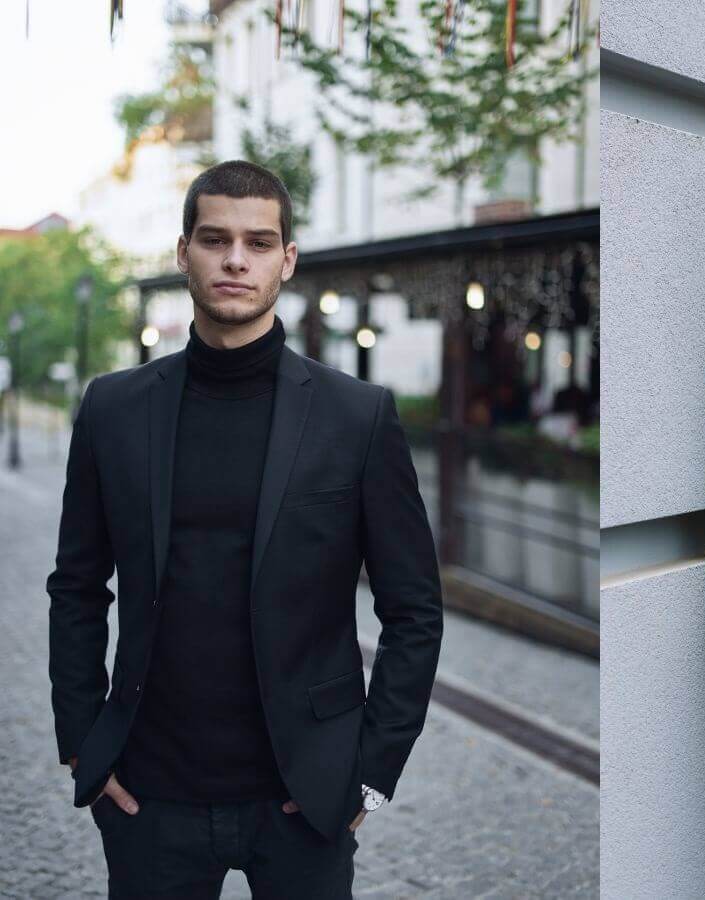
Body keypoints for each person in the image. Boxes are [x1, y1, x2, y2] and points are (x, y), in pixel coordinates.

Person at [47, 160, 444, 898]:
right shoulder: (113, 409)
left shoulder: (357, 417)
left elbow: (414, 611)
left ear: (286, 260)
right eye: (215, 239)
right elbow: (76, 587)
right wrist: (82, 744)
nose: (236, 259)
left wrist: (368, 775)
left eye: (259, 243)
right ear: (183, 252)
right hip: (150, 796)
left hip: (304, 798)